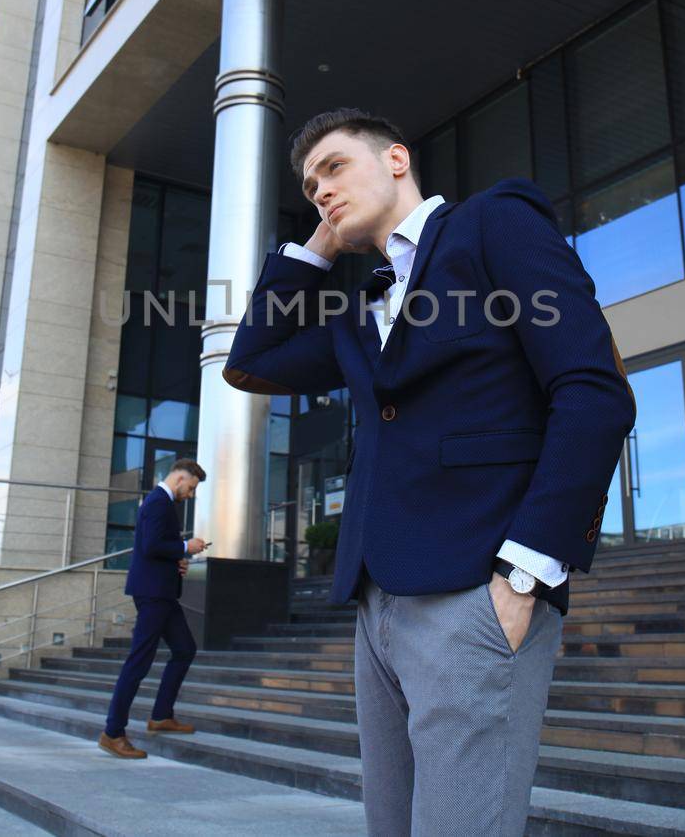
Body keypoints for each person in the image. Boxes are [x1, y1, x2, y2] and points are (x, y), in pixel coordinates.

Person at [223, 109, 633, 834]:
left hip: (477, 588)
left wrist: (528, 572)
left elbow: (593, 391)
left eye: (336, 166)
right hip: (376, 600)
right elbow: (250, 361)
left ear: (398, 159)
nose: (320, 188)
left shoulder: (492, 224)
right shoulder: (358, 315)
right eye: (311, 184)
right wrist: (325, 235)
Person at [98, 458, 209, 759]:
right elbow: (150, 545)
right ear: (180, 478)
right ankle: (113, 732)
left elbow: (157, 548)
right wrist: (186, 548)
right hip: (153, 594)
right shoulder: (159, 502)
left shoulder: (160, 502)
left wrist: (178, 561)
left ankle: (161, 715)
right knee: (139, 662)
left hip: (162, 592)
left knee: (184, 649)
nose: (191, 494)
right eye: (192, 487)